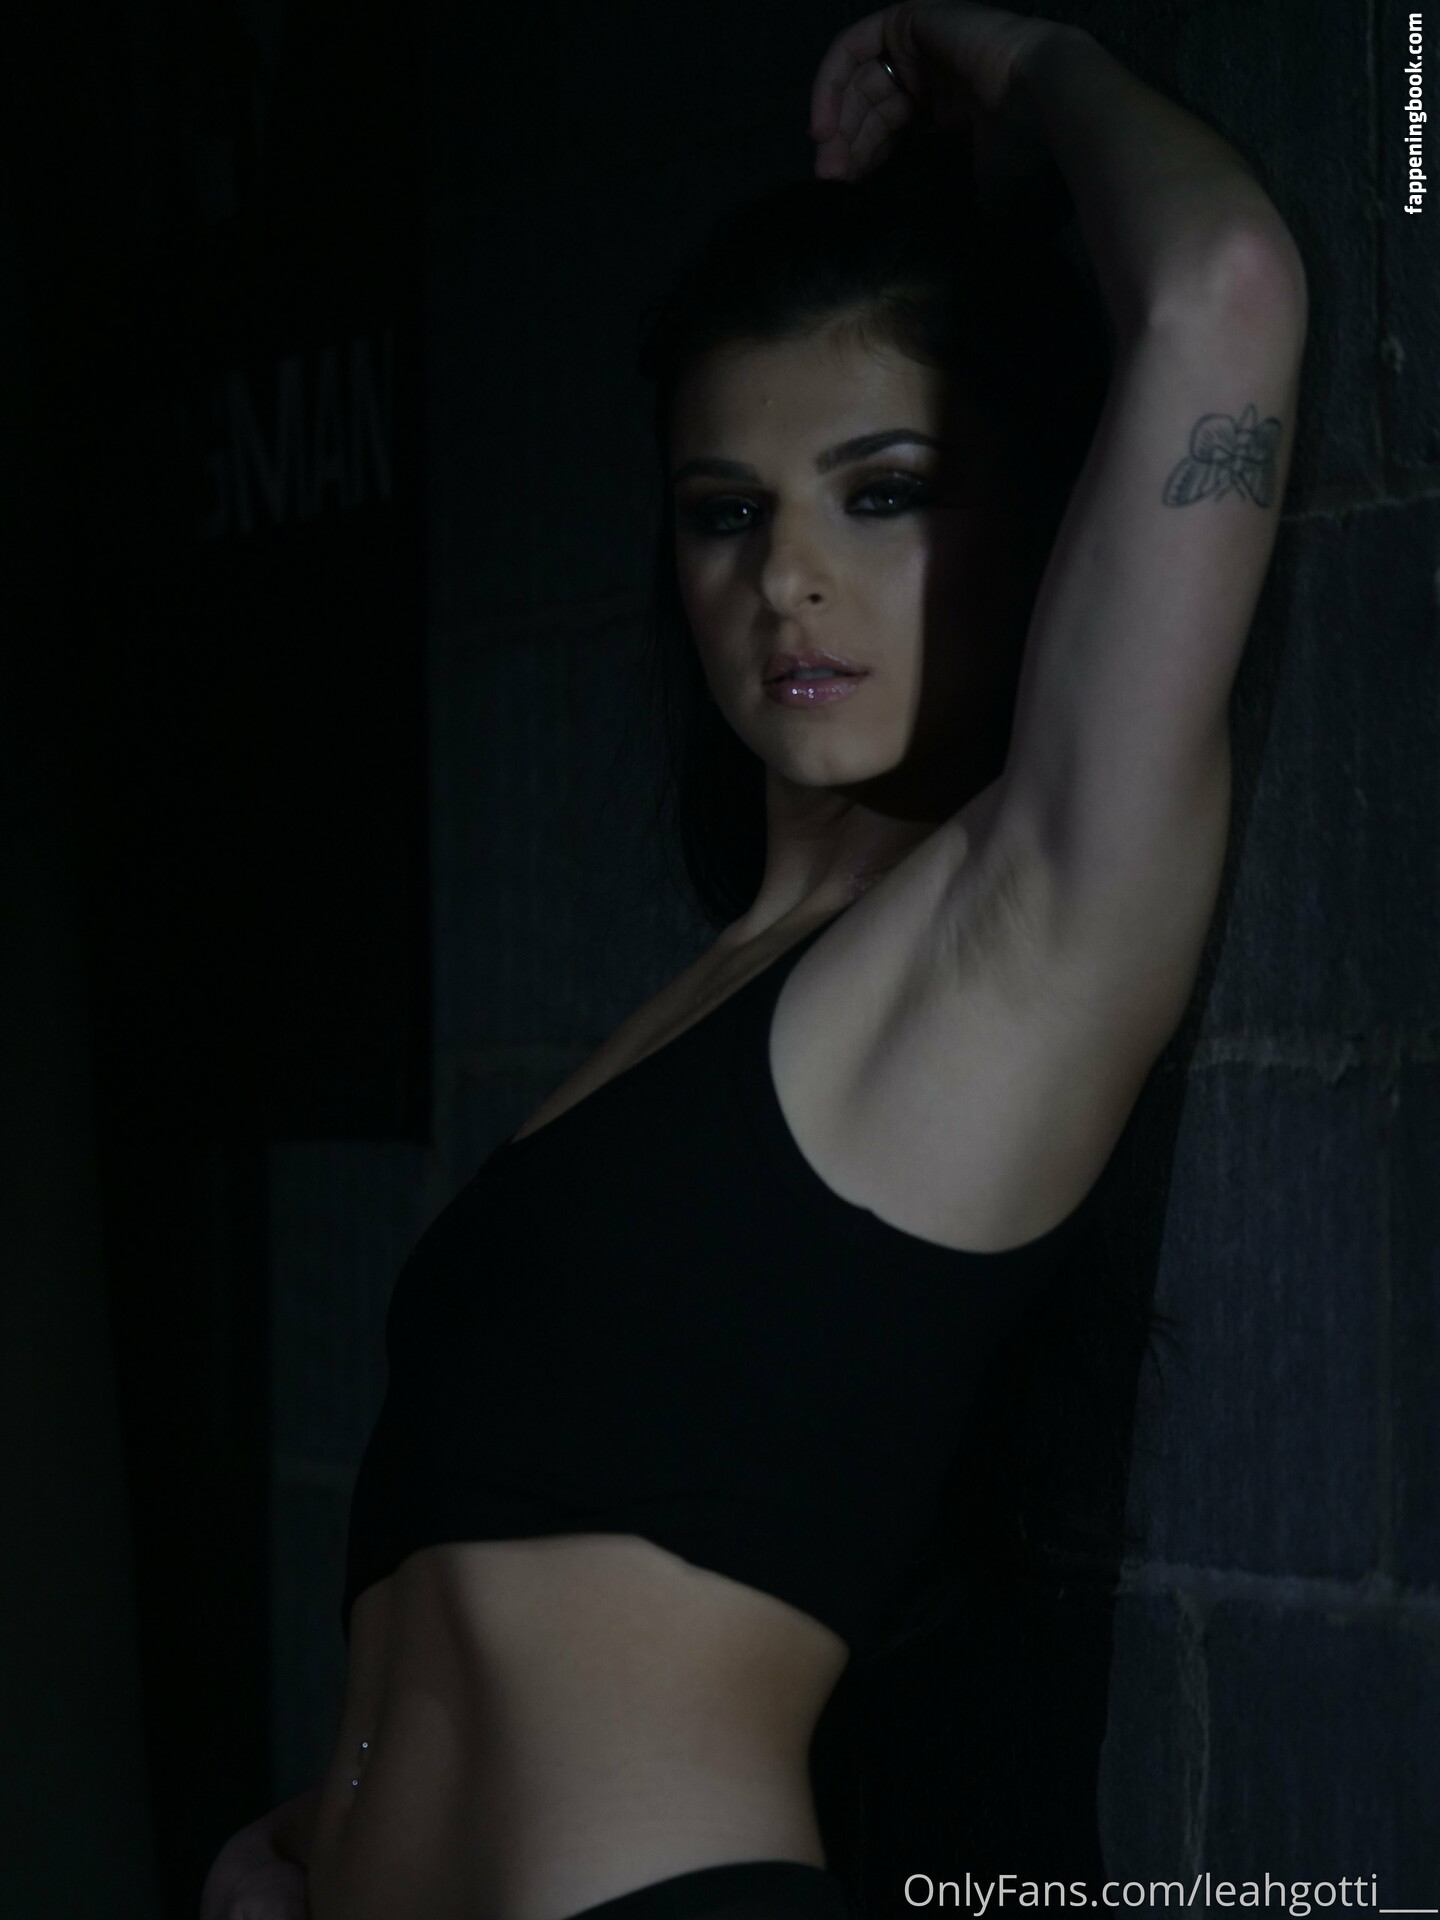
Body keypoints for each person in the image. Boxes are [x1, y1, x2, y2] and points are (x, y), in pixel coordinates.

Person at [201, 4, 1307, 1917]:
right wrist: (308, 1842)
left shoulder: (1016, 925)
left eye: (882, 490)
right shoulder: (691, 1003)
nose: (789, 576)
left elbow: (1223, 289)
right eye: (729, 513)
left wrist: (1019, 63)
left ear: (1029, 520)